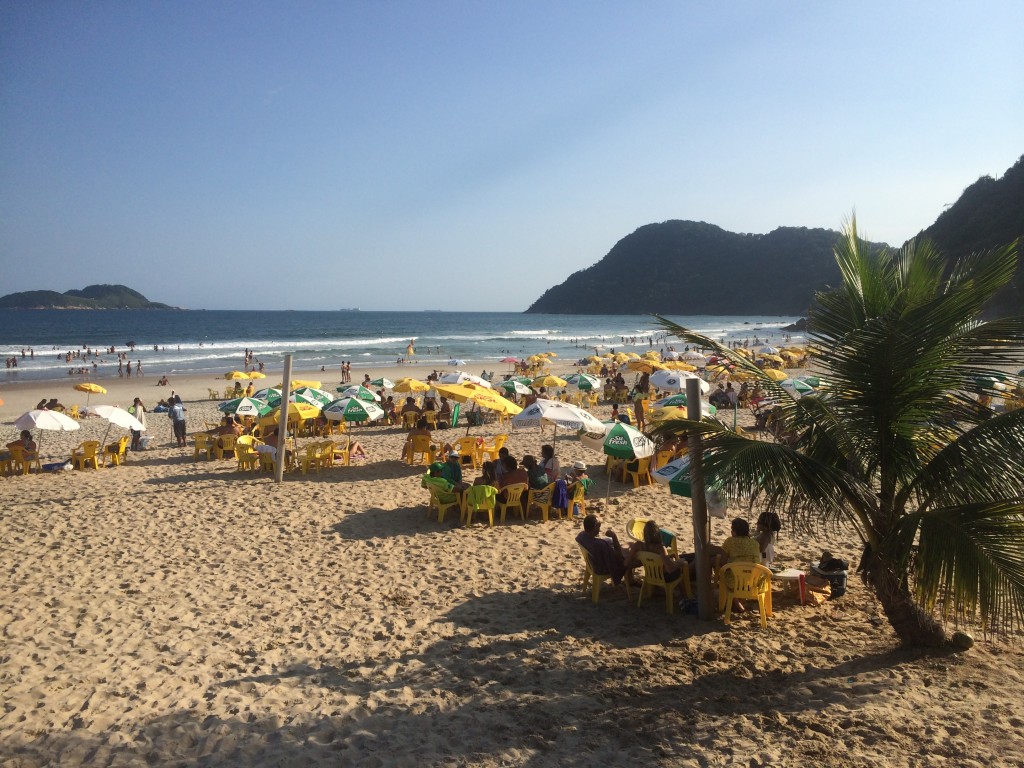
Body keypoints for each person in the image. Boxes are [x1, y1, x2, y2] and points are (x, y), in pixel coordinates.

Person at [575, 514, 629, 585]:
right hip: (602, 567)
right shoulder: (601, 545)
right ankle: (631, 581)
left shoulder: (582, 535)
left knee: (625, 548)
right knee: (630, 557)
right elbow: (619, 556)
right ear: (594, 527)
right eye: (599, 525)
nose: (599, 528)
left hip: (592, 563)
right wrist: (614, 536)